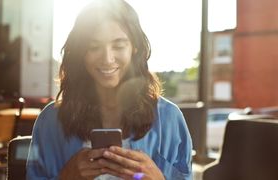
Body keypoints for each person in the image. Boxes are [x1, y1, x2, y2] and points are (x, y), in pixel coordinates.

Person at [26, 0, 193, 179]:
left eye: (118, 46)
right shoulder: (50, 121)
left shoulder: (168, 119)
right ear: (80, 52)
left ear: (134, 48)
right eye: (94, 47)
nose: (107, 59)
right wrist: (66, 177)